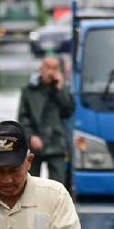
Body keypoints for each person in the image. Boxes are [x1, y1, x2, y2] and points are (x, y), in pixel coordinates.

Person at [17, 56, 75, 187]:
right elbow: (22, 118)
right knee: (30, 184)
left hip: (57, 142)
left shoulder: (62, 90)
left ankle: (54, 207)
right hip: (35, 143)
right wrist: (31, 136)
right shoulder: (29, 91)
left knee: (58, 185)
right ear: (41, 69)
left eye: (54, 68)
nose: (50, 72)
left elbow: (69, 111)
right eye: (48, 68)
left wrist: (60, 89)